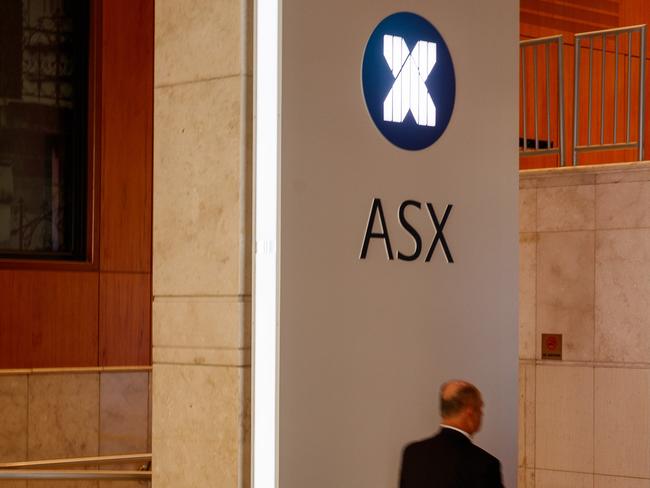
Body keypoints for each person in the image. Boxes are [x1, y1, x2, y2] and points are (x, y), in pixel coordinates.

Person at [399, 380, 504, 488]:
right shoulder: (484, 464)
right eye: (480, 407)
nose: (482, 413)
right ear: (470, 412)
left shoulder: (412, 453)